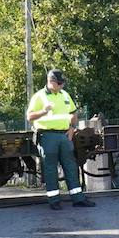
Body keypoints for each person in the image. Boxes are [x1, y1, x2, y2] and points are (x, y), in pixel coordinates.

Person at [26, 68, 91, 211]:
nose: (62, 86)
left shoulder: (65, 95)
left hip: (64, 135)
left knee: (71, 166)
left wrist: (72, 128)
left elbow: (73, 113)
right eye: (59, 83)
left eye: (62, 83)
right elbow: (29, 117)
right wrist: (43, 111)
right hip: (47, 136)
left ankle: (78, 198)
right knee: (50, 169)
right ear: (51, 82)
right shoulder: (39, 96)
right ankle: (54, 200)